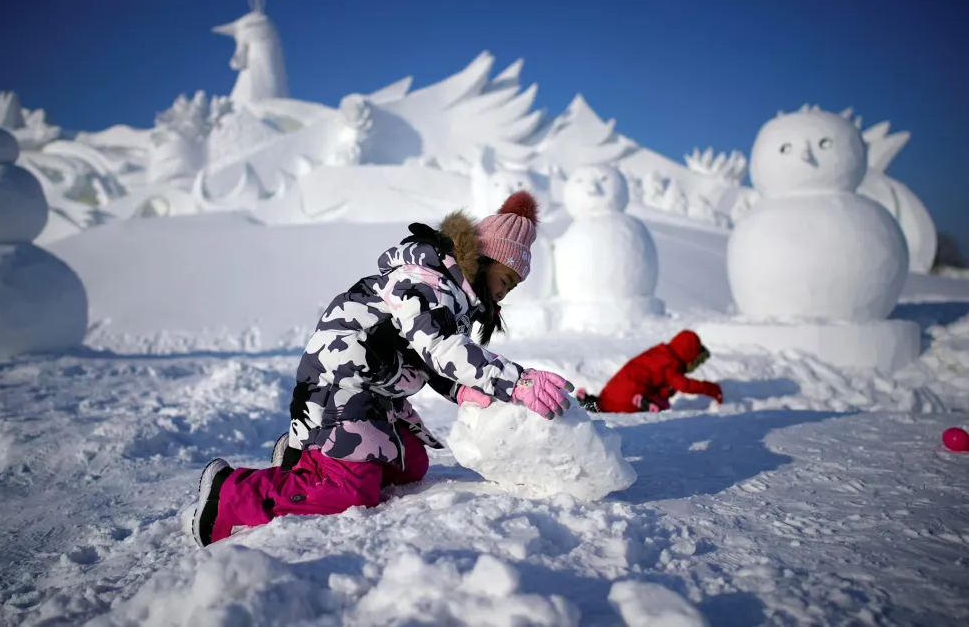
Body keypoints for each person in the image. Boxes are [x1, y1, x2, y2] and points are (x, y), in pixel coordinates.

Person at [192, 191, 575, 547]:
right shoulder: (425, 283)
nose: (505, 292)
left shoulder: (455, 295)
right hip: (339, 383)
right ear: (486, 259)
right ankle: (229, 492)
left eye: (514, 286)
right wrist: (517, 382)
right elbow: (440, 347)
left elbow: (427, 355)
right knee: (352, 491)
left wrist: (461, 390)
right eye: (506, 280)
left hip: (375, 392)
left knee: (412, 464)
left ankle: (308, 459)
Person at [575, 330, 722, 413]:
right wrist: (712, 389)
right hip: (631, 395)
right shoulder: (671, 364)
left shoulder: (660, 352)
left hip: (615, 387)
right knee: (663, 405)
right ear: (688, 354)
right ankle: (647, 404)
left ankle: (589, 402)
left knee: (605, 403)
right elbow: (684, 385)